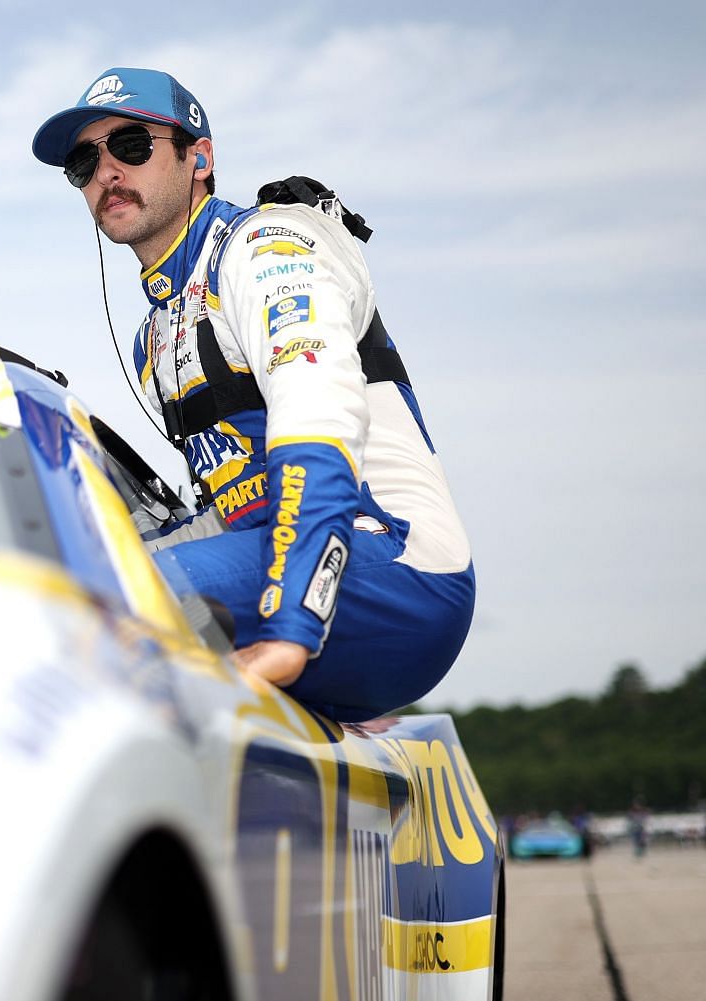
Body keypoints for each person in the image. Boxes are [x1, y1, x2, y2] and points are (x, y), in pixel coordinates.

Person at [32, 68, 475, 721]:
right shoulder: (155, 334)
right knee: (52, 586)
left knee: (83, 608)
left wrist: (294, 626)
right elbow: (239, 504)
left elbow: (316, 419)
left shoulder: (265, 249)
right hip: (291, 572)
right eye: (82, 161)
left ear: (199, 158)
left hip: (398, 570)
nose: (106, 172)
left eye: (130, 144)